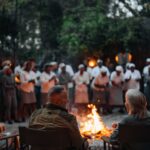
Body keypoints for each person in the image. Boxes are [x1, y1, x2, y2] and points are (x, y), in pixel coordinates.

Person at [29, 85, 88, 150]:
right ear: (59, 101)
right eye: (66, 98)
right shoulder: (69, 118)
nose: (68, 100)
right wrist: (85, 141)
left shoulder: (35, 114)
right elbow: (78, 144)